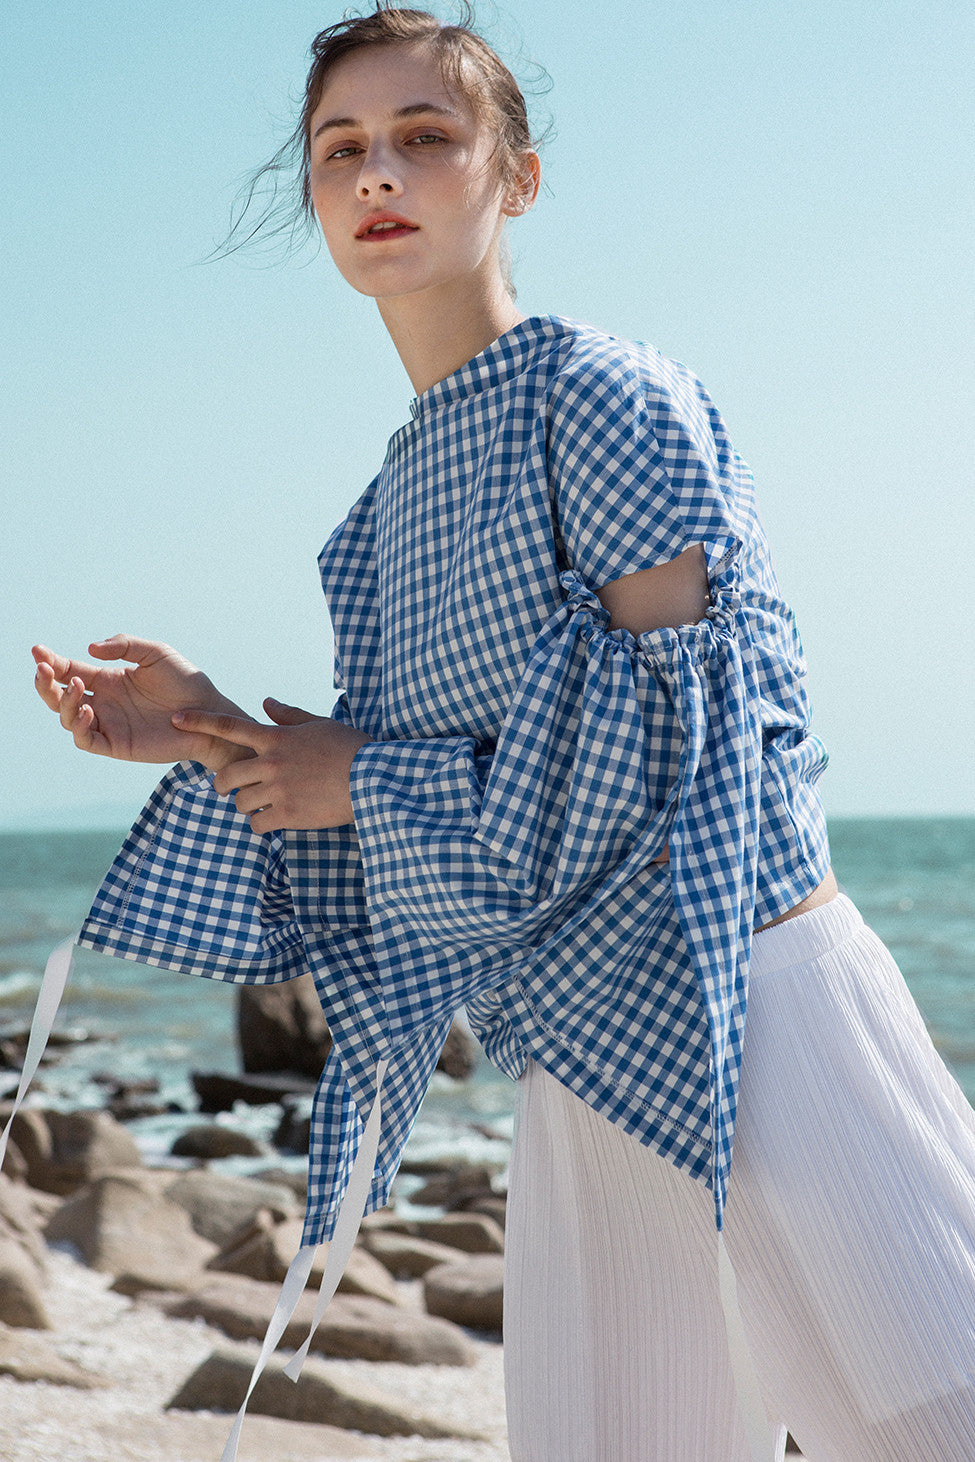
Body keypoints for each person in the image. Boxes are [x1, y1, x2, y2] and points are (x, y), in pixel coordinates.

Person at [27, 7, 975, 1460]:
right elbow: (428, 819)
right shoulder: (388, 500)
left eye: (427, 136)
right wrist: (215, 728)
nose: (379, 173)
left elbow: (686, 748)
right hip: (577, 1055)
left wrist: (363, 777)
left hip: (755, 1003)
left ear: (515, 179)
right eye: (342, 148)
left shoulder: (604, 398)